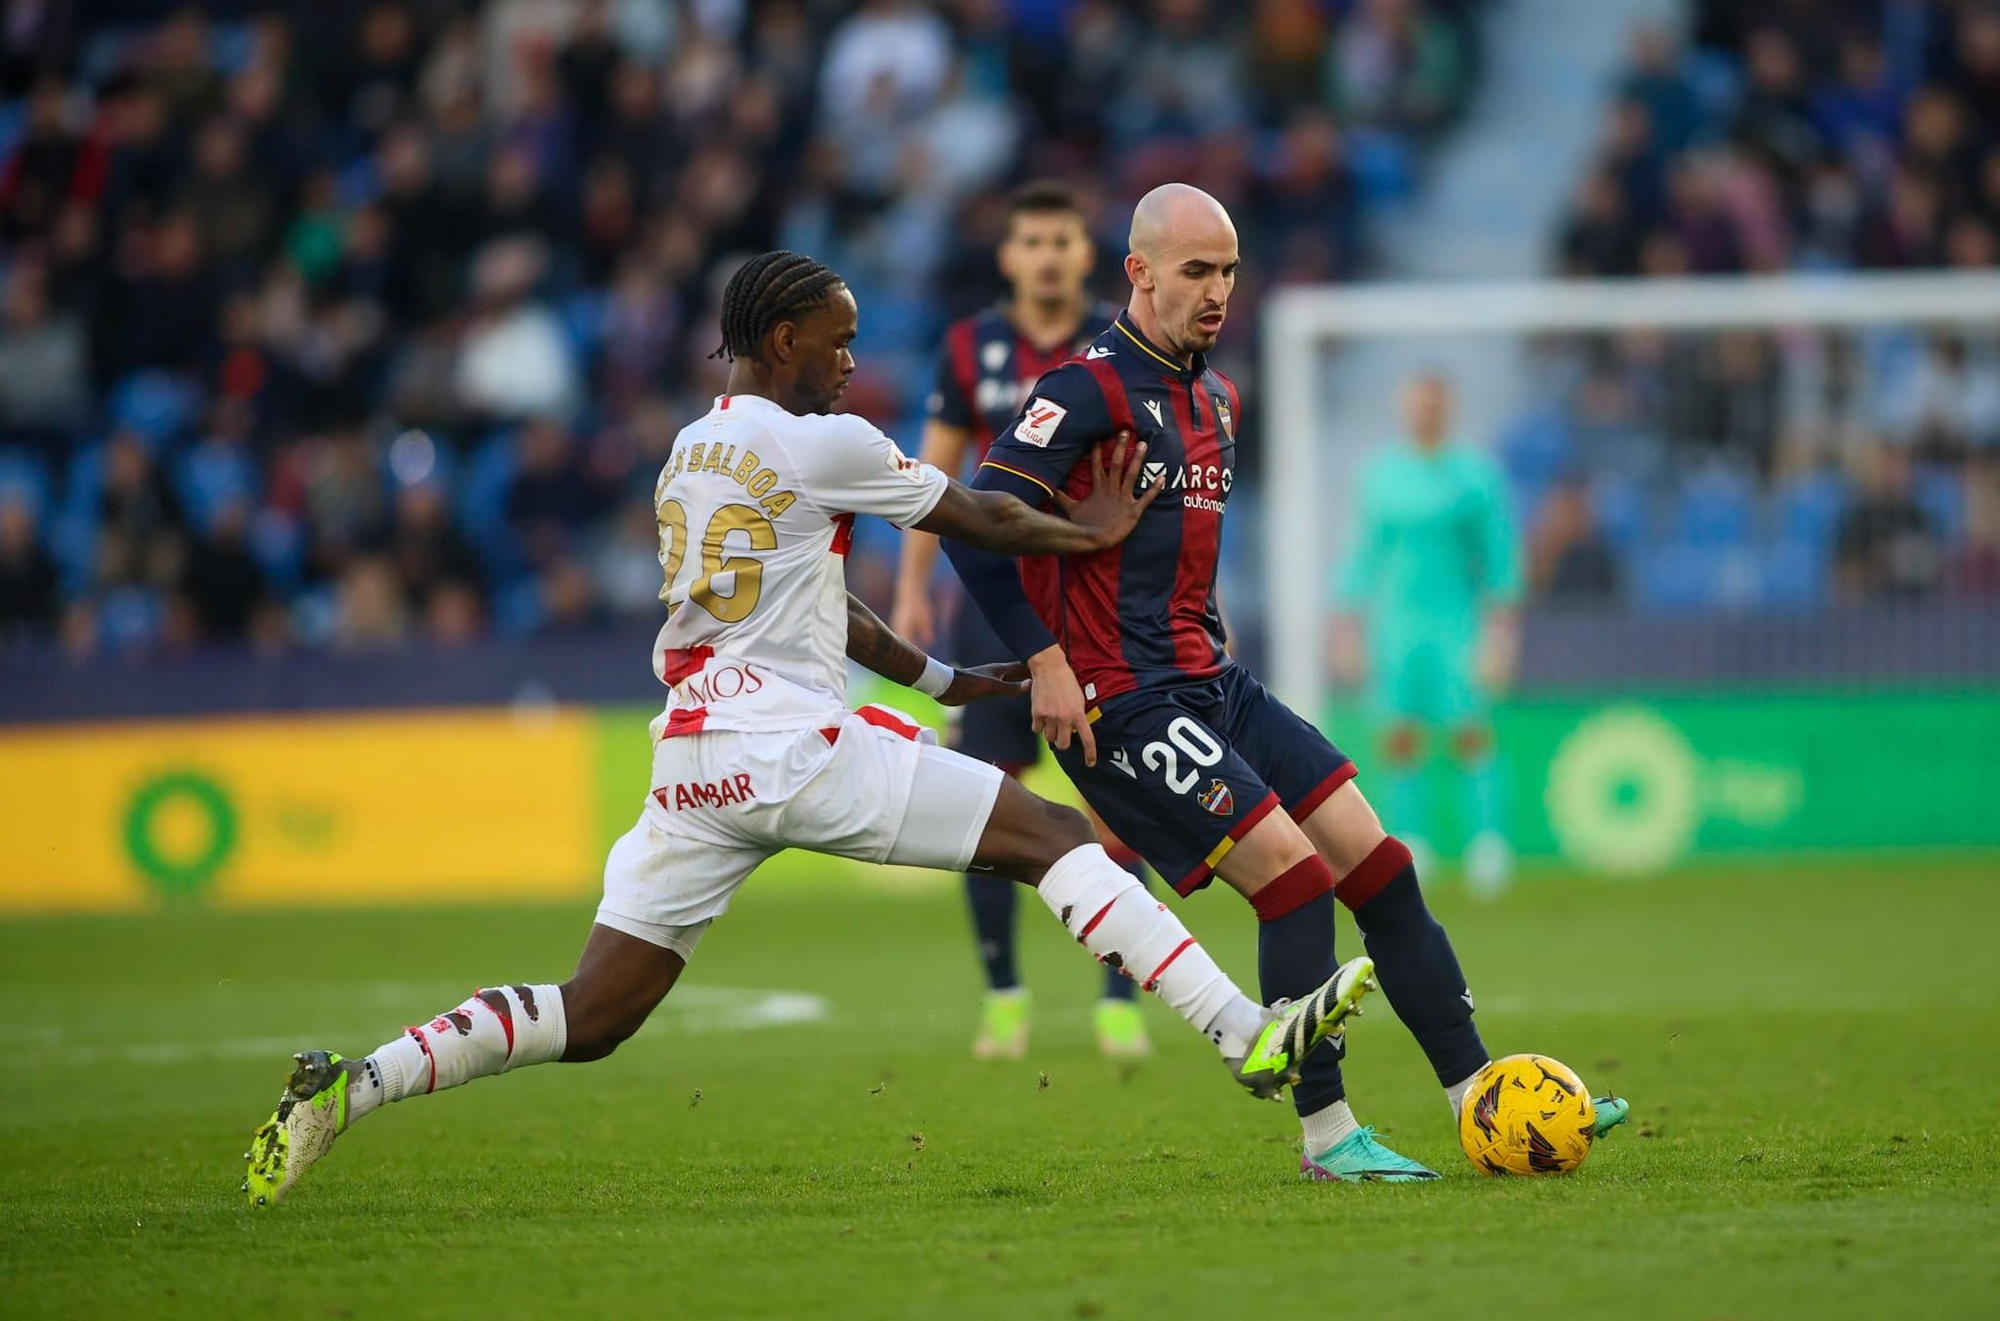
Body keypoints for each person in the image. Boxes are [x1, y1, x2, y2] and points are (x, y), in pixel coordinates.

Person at [243, 251, 1374, 1207]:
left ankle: (357, 1080)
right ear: (779, 339)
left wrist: (939, 676)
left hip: (690, 759)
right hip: (787, 745)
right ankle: (1245, 1034)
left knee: (591, 1015)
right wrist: (1089, 531)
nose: (847, 361)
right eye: (833, 341)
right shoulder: (821, 439)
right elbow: (978, 511)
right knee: (1052, 840)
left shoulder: (690, 451)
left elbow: (822, 606)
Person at [943, 185, 1627, 1182]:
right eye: (1194, 271)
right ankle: (1326, 1138)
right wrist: (1043, 658)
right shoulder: (1083, 389)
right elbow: (972, 522)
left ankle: (1481, 1096)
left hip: (1213, 683)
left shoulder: (1218, 395)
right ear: (1136, 272)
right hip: (1116, 700)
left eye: (1226, 271)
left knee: (1379, 867)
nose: (1217, 290)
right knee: (1294, 880)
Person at [891, 180, 1151, 1060]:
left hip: (1094, 609)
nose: (1046, 255)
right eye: (1031, 241)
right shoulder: (969, 346)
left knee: (1119, 807)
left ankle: (1120, 998)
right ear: (1009, 257)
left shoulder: (1119, 345)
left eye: (1062, 241)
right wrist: (912, 588)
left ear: (1087, 255)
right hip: (994, 612)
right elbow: (938, 473)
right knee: (985, 808)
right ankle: (1005, 994)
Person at [1330, 371, 1524, 896]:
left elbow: (1499, 555)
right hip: (1397, 622)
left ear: (1448, 408)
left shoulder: (1475, 475)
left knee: (1471, 729)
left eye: (1433, 403)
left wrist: (1501, 632)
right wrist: (1346, 626)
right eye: (1416, 402)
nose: (1424, 411)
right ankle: (1412, 843)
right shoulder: (1382, 475)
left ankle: (1488, 844)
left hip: (1457, 619)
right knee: (1399, 735)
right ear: (1403, 407)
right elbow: (1362, 553)